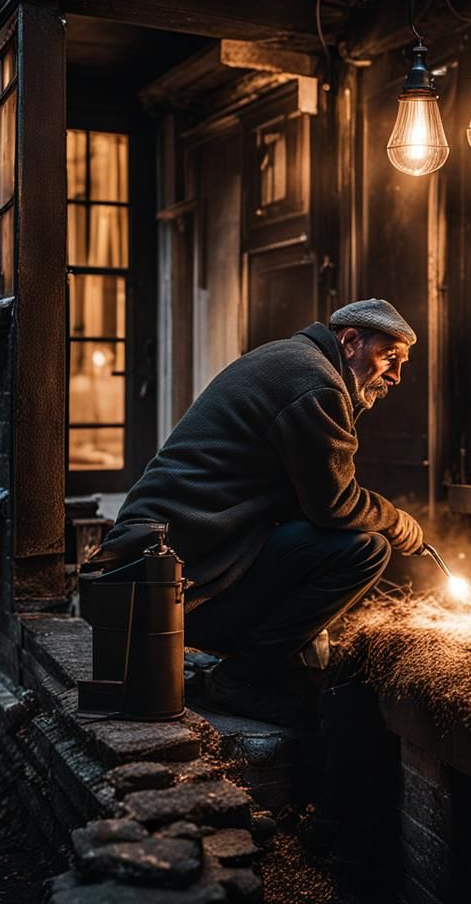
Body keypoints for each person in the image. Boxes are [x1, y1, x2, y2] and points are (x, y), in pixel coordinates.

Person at [90, 298, 424, 722]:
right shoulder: (315, 383)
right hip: (168, 594)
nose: (395, 376)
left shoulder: (293, 360)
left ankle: (257, 670)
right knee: (367, 549)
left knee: (327, 541)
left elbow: (310, 501)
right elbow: (335, 505)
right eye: (388, 357)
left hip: (173, 575)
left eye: (401, 363)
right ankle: (235, 682)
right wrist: (396, 521)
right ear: (351, 341)